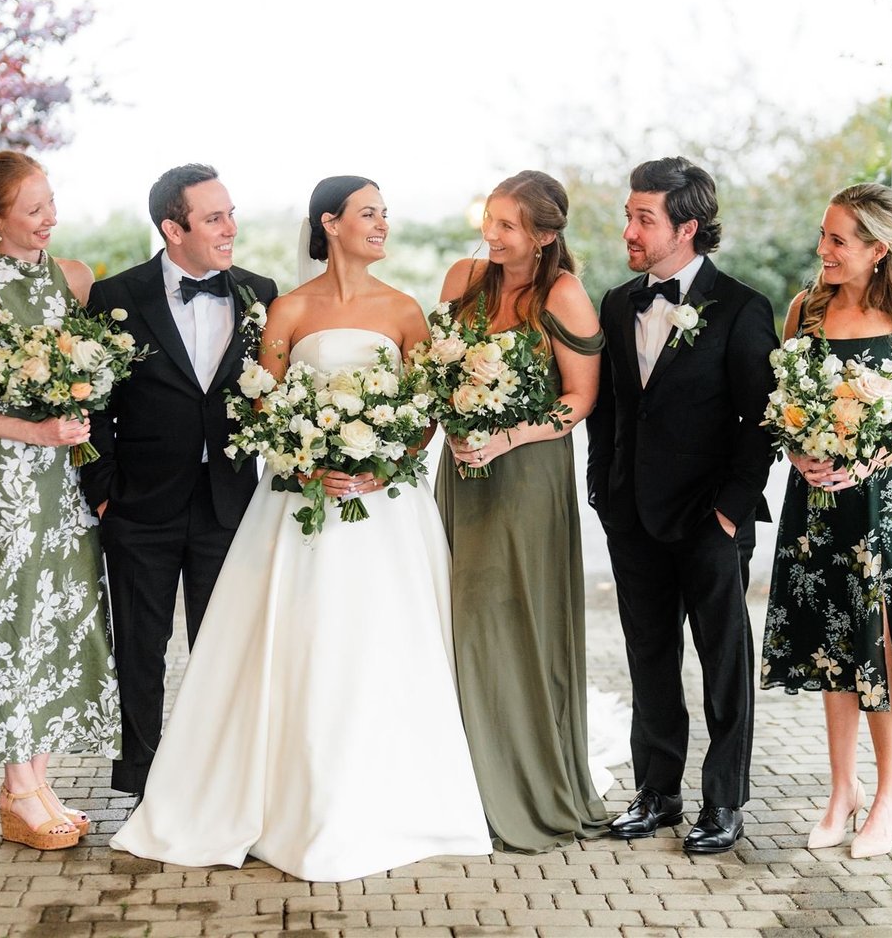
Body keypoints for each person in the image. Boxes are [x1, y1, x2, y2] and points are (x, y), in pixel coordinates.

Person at [109, 176, 491, 880]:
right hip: (301, 502)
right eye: (368, 213)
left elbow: (426, 410)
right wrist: (306, 459)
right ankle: (276, 791)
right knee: (302, 640)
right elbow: (263, 405)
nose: (382, 223)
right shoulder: (283, 308)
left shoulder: (407, 311)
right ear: (331, 223)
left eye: (385, 214)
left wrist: (387, 461)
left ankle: (388, 786)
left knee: (382, 638)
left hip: (385, 510)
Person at [584, 156, 778, 854]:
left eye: (645, 218)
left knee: (723, 662)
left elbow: (764, 420)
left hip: (708, 519)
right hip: (632, 515)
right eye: (629, 215)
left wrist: (729, 512)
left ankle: (724, 801)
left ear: (687, 227)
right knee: (649, 658)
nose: (629, 229)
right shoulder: (616, 302)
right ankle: (658, 792)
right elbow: (607, 409)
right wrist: (602, 486)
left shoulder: (743, 308)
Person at [0, 150, 120, 851]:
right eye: (33, 208)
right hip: (11, 482)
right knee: (15, 623)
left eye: (51, 203)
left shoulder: (73, 279)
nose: (49, 218)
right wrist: (33, 429)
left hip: (67, 478)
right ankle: (15, 788)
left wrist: (76, 411)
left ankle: (38, 784)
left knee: (63, 619)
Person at [761, 183, 892, 859]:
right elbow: (783, 402)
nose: (823, 250)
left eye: (838, 239)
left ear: (879, 247)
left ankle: (889, 795)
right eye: (823, 235)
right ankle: (842, 793)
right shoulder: (806, 308)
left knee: (883, 646)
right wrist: (799, 450)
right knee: (829, 643)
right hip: (815, 504)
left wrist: (873, 458)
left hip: (883, 503)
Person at [79, 164, 278, 798]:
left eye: (231, 213)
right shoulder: (116, 297)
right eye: (214, 217)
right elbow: (93, 403)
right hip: (140, 504)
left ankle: (221, 781)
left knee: (224, 647)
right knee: (140, 649)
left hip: (230, 503)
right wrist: (106, 490)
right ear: (173, 228)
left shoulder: (259, 294)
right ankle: (141, 784)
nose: (231, 228)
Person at [433, 170, 615, 852]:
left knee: (514, 619)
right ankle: (461, 780)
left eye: (507, 226)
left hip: (528, 479)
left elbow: (580, 397)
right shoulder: (462, 280)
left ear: (543, 236)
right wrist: (454, 422)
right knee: (460, 616)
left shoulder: (562, 294)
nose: (491, 235)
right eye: (490, 220)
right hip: (463, 473)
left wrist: (508, 435)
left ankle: (523, 781)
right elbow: (436, 372)